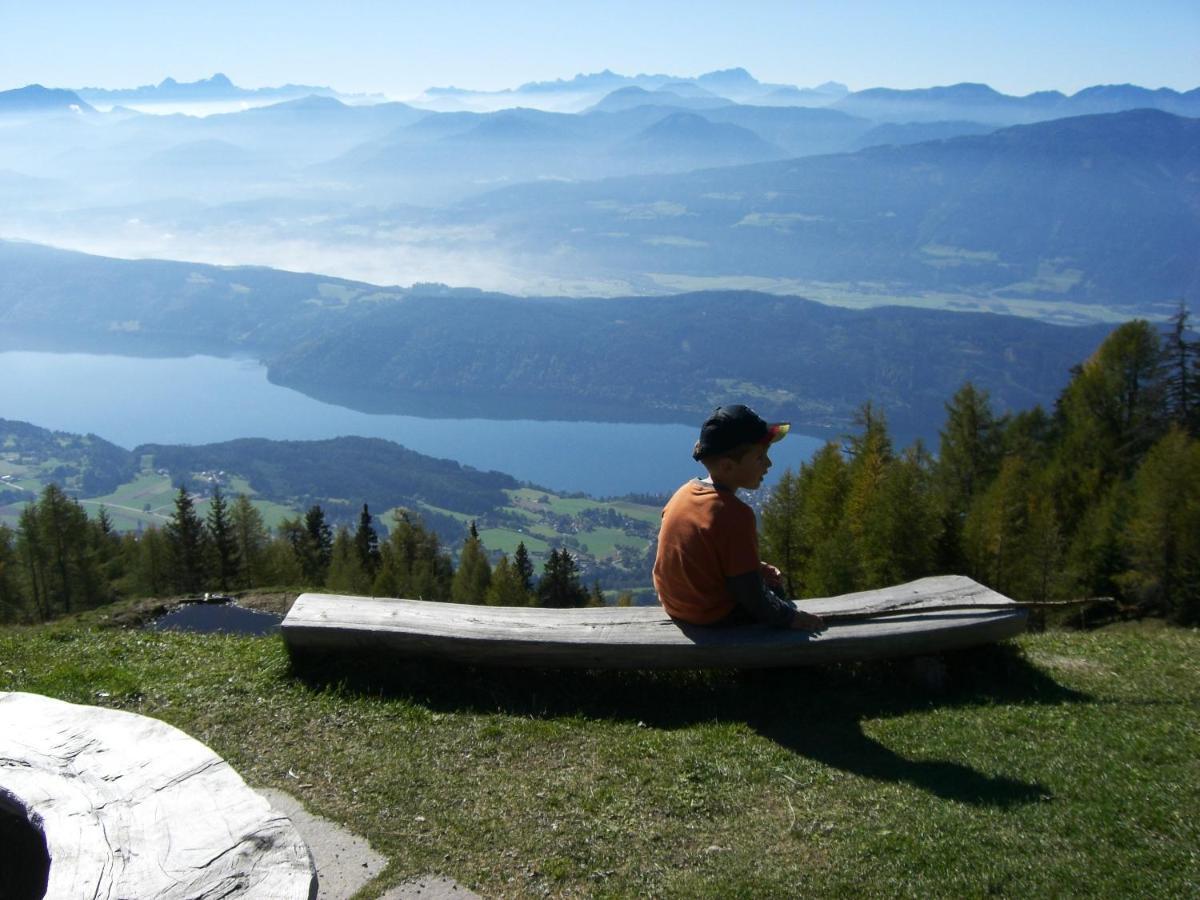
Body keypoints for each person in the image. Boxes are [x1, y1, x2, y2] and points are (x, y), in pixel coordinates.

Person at [653, 404, 826, 631]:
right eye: (760, 457)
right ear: (727, 466)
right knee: (773, 589)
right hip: (711, 616)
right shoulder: (734, 514)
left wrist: (754, 566)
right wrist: (789, 617)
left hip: (676, 607)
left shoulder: (683, 494)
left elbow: (699, 554)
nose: (768, 464)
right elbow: (751, 595)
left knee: (763, 579)